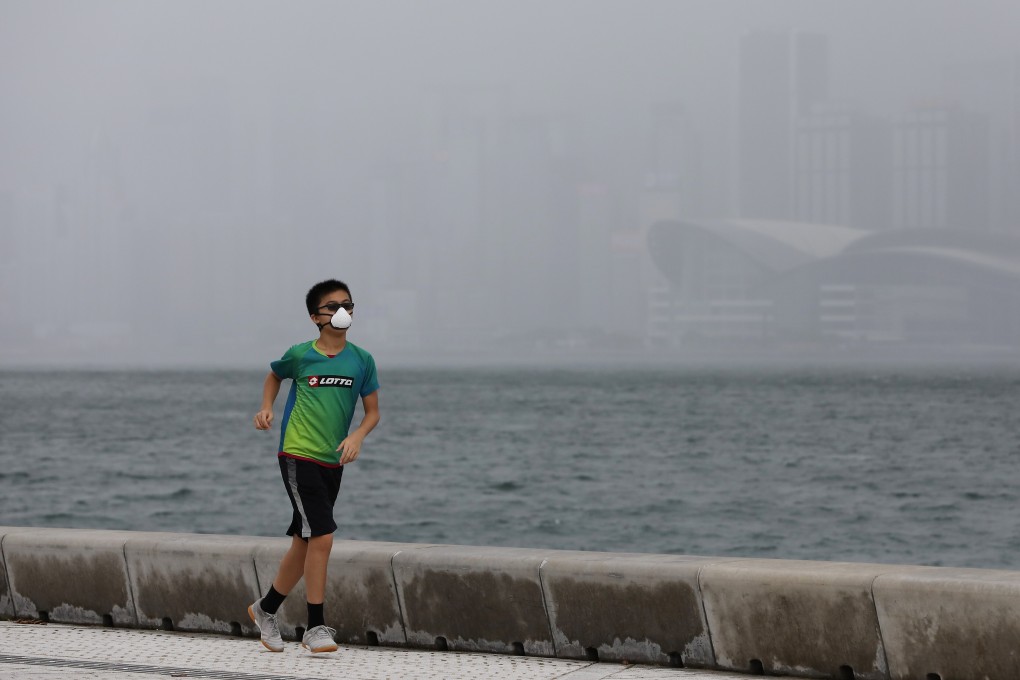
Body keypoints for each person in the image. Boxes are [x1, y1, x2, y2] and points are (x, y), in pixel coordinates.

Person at [247, 279, 380, 653]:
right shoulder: (301, 354)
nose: (342, 311)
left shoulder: (362, 359)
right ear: (314, 316)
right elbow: (274, 374)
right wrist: (267, 407)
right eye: (332, 305)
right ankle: (316, 626)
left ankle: (265, 609)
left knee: (305, 542)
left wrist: (356, 437)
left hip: (331, 460)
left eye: (348, 304)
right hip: (297, 453)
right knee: (322, 535)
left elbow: (373, 413)